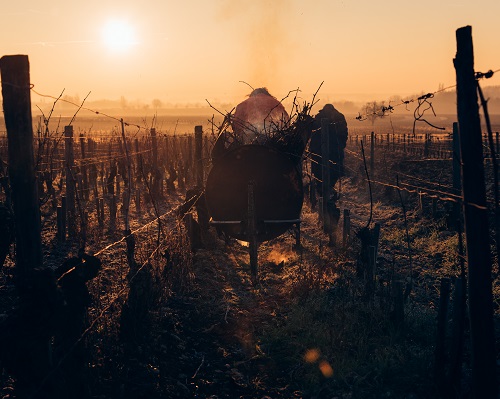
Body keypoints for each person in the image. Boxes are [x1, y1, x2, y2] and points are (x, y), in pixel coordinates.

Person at [309, 103, 348, 198]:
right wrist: (341, 145)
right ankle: (326, 191)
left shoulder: (319, 118)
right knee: (332, 171)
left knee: (323, 171)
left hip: (322, 151)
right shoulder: (339, 117)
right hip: (332, 150)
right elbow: (344, 134)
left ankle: (326, 190)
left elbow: (343, 134)